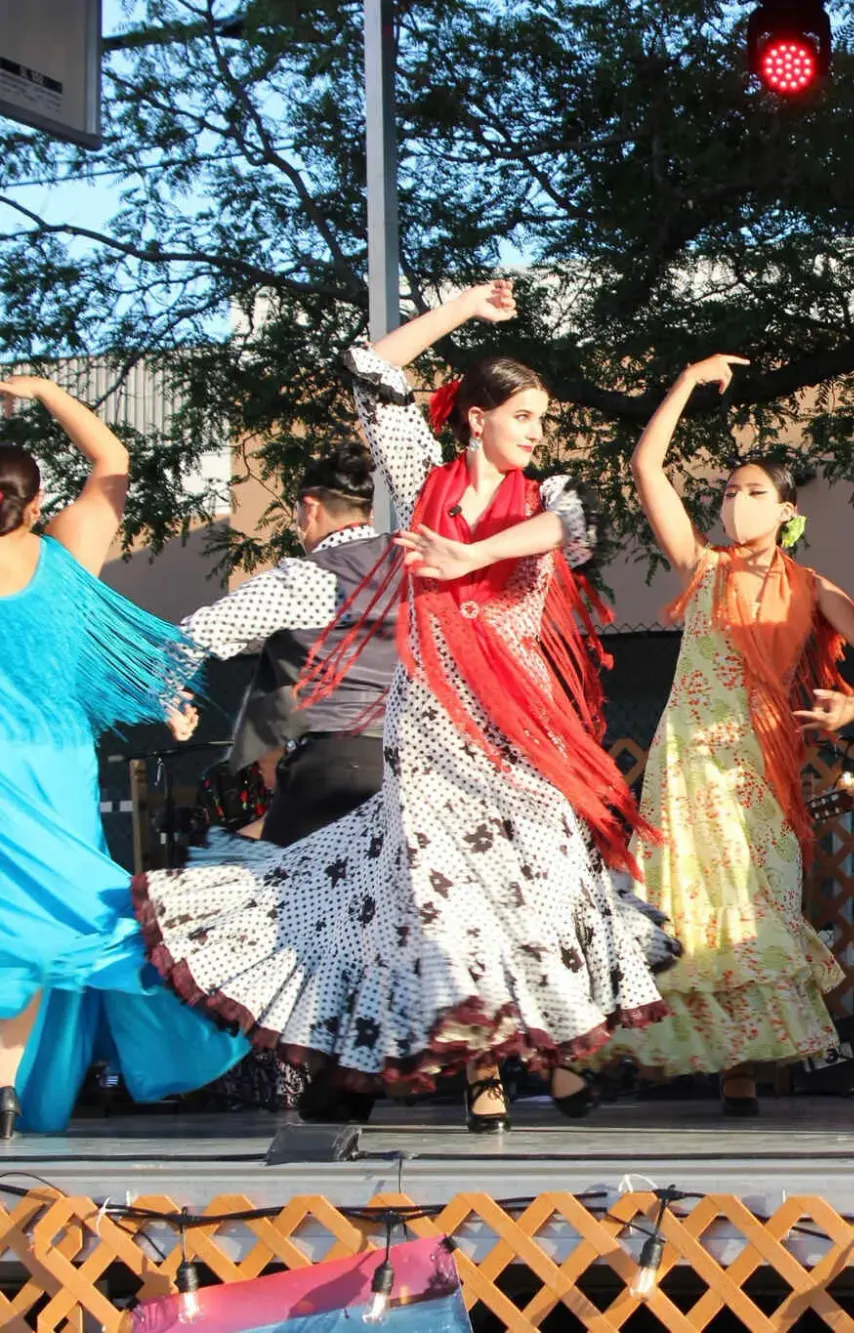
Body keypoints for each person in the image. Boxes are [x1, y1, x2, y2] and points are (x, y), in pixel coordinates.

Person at [132, 280, 680, 1132]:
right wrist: (463, 308)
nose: (537, 433)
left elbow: (564, 534)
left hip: (520, 727)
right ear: (475, 418)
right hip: (428, 729)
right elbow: (367, 365)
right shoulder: (421, 482)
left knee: (542, 877)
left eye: (541, 418)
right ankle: (491, 1074)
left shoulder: (545, 496)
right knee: (448, 896)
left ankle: (556, 1053)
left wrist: (465, 558)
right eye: (524, 415)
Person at [591, 353, 854, 1115]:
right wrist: (686, 381)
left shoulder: (811, 587)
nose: (736, 503)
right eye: (728, 492)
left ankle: (741, 1070)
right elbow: (645, 465)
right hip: (687, 759)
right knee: (683, 904)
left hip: (758, 762)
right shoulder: (703, 566)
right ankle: (661, 1053)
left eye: (754, 492)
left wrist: (852, 704)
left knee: (754, 905)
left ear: (787, 509)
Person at [0, 376, 248, 1136]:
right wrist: (42, 390)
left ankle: (7, 1083)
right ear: (36, 503)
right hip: (55, 767)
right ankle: (7, 1087)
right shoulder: (66, 554)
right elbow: (112, 459)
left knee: (15, 923)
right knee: (58, 918)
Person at [179, 440, 398, 846]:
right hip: (411, 770)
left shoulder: (304, 579)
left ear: (309, 508)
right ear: (368, 513)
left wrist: (170, 696)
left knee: (272, 897)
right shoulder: (407, 567)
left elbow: (195, 635)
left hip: (333, 768)